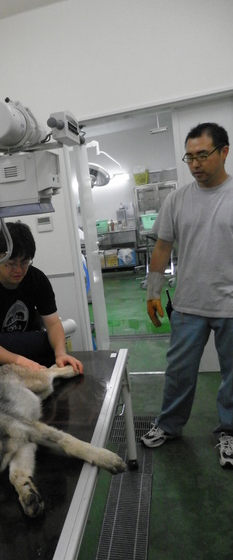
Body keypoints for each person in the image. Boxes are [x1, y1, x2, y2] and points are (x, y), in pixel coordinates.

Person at [140, 122, 233, 468]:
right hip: (188, 304)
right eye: (190, 157)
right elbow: (163, 247)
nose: (195, 164)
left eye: (202, 155)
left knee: (232, 376)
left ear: (224, 152)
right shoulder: (176, 200)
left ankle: (230, 431)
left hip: (230, 305)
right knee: (179, 371)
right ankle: (169, 425)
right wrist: (153, 291)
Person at [0, 221, 83, 393]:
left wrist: (60, 353)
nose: (18, 269)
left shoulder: (37, 280)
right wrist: (20, 361)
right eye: (10, 263)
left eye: (24, 262)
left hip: (15, 345)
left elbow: (53, 323)